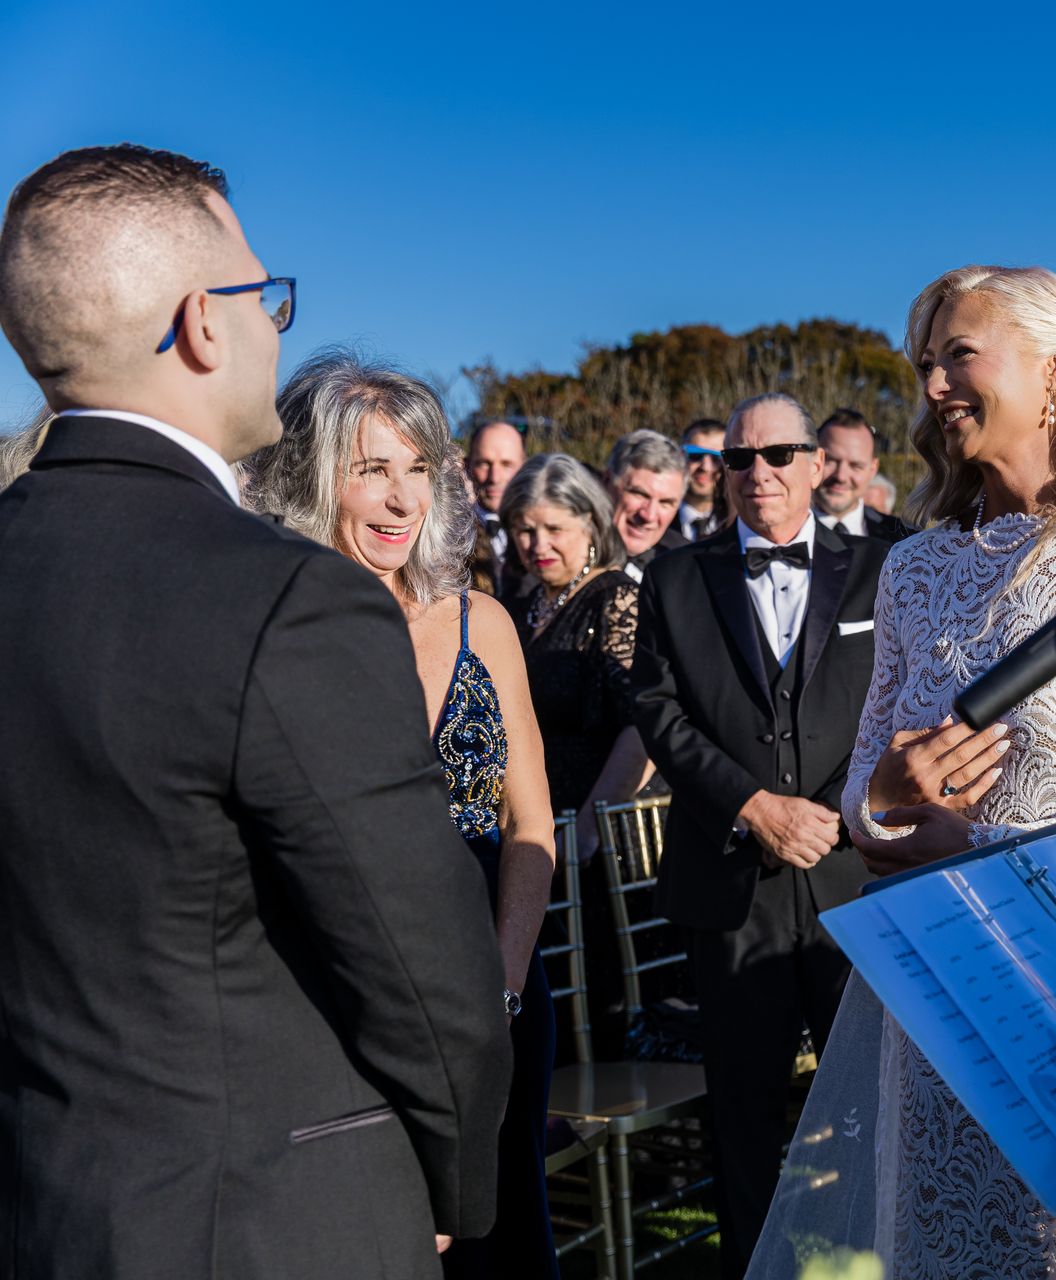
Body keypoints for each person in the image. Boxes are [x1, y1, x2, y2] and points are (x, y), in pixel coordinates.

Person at [0, 144, 510, 1277]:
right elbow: (423, 965)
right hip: (274, 1218)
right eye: (265, 294)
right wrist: (457, 1179)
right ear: (201, 325)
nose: (276, 326)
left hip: (45, 1203)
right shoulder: (284, 597)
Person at [752, 265, 1056, 1280]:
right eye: (926, 363)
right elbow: (869, 798)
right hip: (940, 1010)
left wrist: (986, 844)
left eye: (960, 354)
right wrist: (884, 799)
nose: (933, 384)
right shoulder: (916, 566)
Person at [248, 350, 560, 1279]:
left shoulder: (482, 623)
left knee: (505, 1244)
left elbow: (534, 830)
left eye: (418, 468)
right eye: (371, 469)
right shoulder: (273, 633)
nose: (401, 500)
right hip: (337, 1004)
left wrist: (499, 992)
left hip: (492, 992)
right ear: (314, 477)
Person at [628, 392, 886, 1279]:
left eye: (779, 455)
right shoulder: (673, 578)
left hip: (856, 875)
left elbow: (906, 706)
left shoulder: (886, 565)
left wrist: (843, 811)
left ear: (818, 463)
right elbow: (659, 713)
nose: (759, 474)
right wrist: (752, 807)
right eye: (740, 460)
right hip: (731, 885)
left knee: (869, 1110)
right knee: (742, 1118)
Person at [501, 452, 652, 1052]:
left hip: (595, 847)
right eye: (524, 529)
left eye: (554, 528)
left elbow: (644, 729)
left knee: (587, 1019)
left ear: (591, 524)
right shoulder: (519, 605)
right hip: (534, 835)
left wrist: (587, 831)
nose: (538, 544)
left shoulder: (615, 600)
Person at [813, 407, 915, 543]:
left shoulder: (906, 540)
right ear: (813, 459)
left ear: (873, 469)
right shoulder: (779, 531)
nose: (841, 476)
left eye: (856, 466)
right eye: (830, 461)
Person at [603, 426, 689, 584]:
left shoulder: (686, 564)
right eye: (639, 494)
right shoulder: (562, 548)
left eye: (665, 503)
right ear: (607, 481)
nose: (648, 515)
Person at [466, 419, 526, 599]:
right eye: (484, 463)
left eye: (506, 464)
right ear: (468, 465)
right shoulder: (449, 533)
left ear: (524, 467)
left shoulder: (544, 530)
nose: (494, 477)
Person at [676, 417, 727, 539]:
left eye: (717, 458)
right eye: (695, 455)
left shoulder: (742, 526)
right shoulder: (653, 521)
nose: (705, 467)